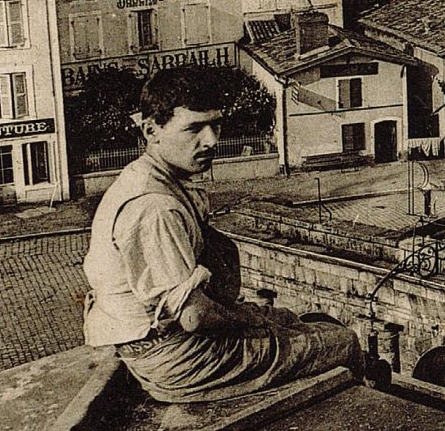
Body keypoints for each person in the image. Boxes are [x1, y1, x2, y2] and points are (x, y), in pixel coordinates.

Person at [83, 66, 363, 403]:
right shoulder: (154, 206)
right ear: (151, 130)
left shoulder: (153, 177)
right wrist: (249, 318)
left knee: (291, 320)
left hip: (166, 342)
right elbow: (195, 316)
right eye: (194, 128)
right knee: (344, 342)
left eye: (215, 124)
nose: (211, 140)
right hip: (179, 356)